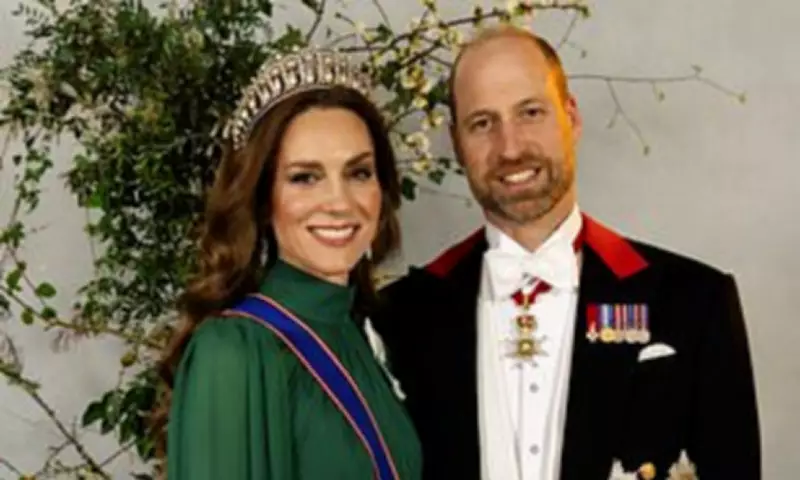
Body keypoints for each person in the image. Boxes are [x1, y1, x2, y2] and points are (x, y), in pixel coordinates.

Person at [372, 25, 760, 480]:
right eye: (482, 123)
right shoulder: (398, 317)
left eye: (530, 112)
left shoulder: (694, 302)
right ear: (457, 143)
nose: (510, 147)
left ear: (570, 118)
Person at [152, 47, 421, 479]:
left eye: (358, 173)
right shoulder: (235, 351)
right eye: (304, 178)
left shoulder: (359, 333)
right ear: (261, 199)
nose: (339, 202)